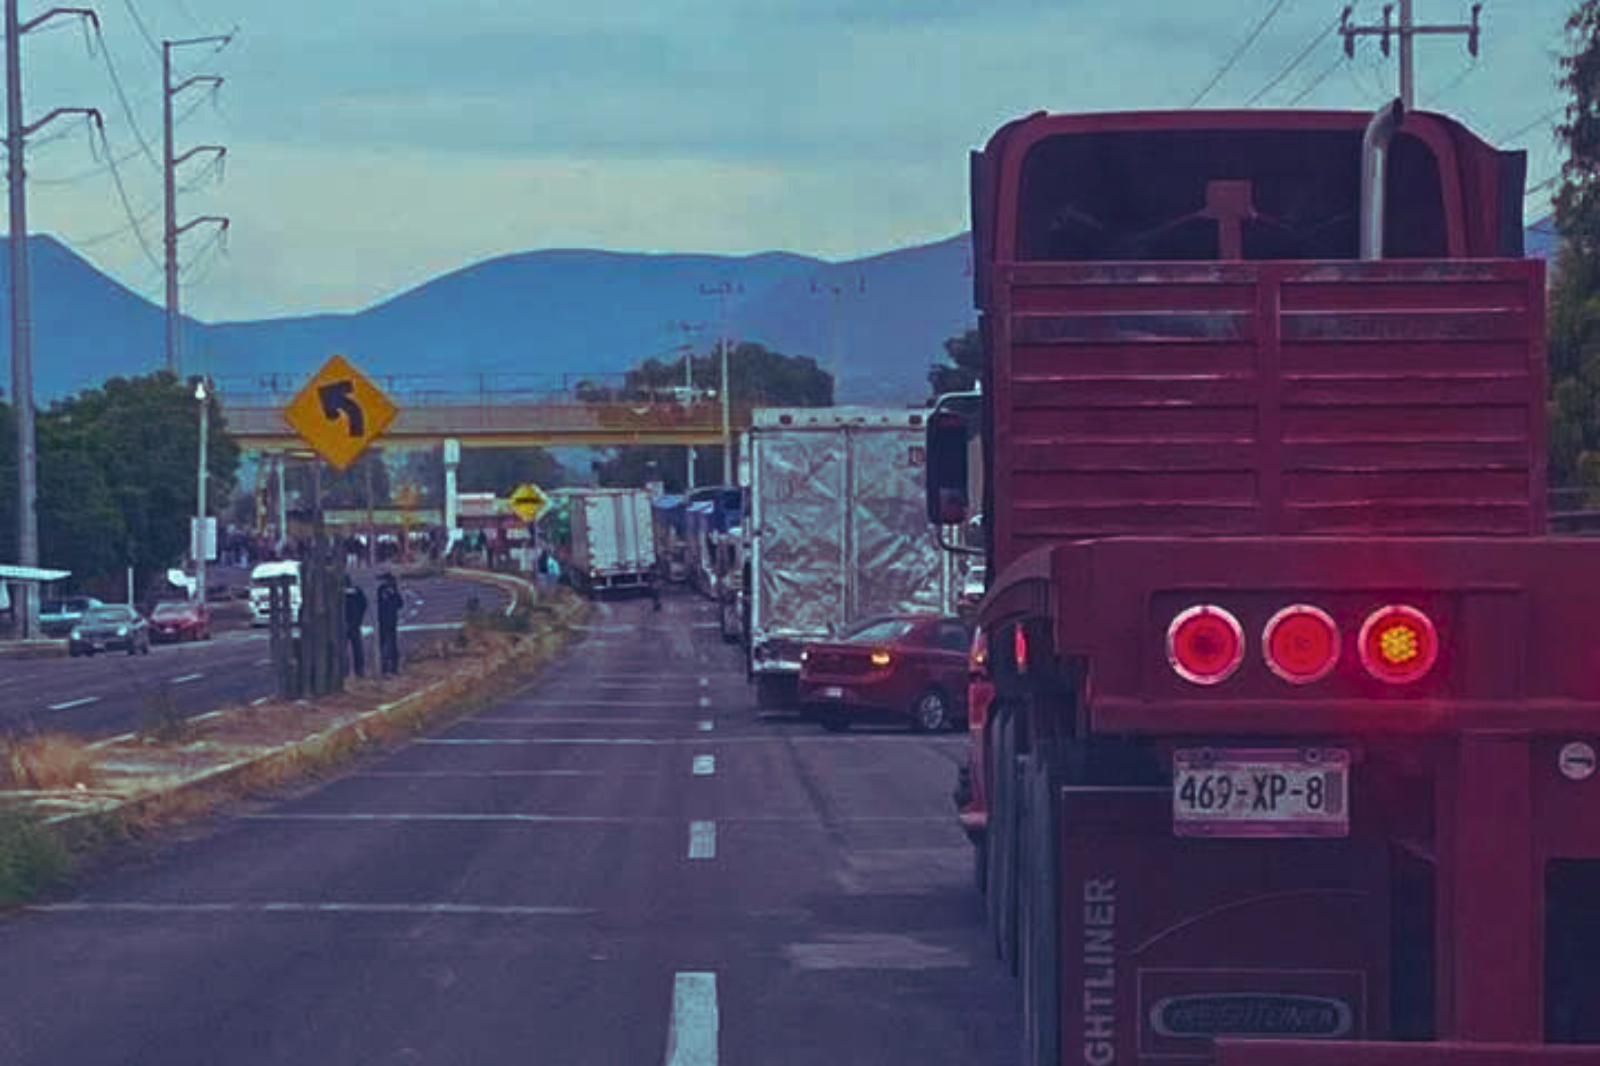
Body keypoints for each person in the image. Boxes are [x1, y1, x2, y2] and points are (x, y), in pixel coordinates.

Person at [377, 571, 403, 676]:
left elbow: (400, 604)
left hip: (391, 620)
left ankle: (393, 668)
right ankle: (385, 668)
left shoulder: (392, 591)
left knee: (391, 644)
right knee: (385, 644)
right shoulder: (382, 590)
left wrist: (394, 593)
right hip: (384, 620)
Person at [343, 575, 368, 677]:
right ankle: (359, 670)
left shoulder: (337, 593)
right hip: (354, 622)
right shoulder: (357, 591)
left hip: (344, 623)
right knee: (357, 648)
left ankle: (346, 671)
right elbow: (364, 604)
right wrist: (359, 618)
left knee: (344, 649)